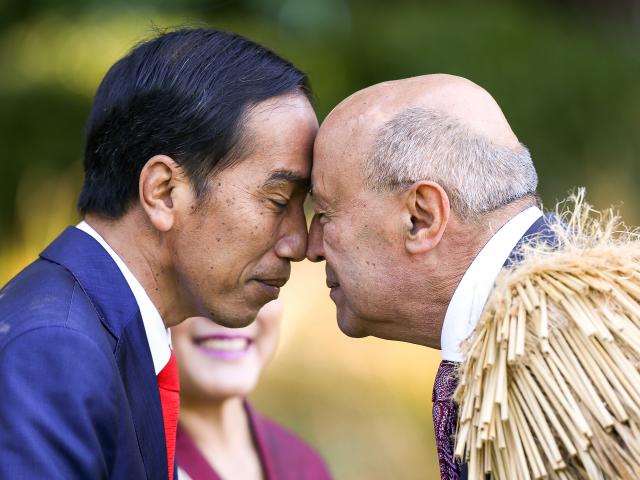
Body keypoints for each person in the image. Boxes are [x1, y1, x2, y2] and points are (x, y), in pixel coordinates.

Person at [0, 28, 317, 479]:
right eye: (279, 200)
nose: (299, 243)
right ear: (164, 191)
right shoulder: (53, 350)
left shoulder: (107, 333)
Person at [306, 74, 546, 480]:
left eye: (325, 213)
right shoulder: (539, 337)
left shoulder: (567, 368)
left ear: (421, 218)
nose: (309, 248)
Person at [173, 300, 332, 480]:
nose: (230, 317)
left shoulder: (302, 465)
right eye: (196, 284)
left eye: (257, 281)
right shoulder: (141, 458)